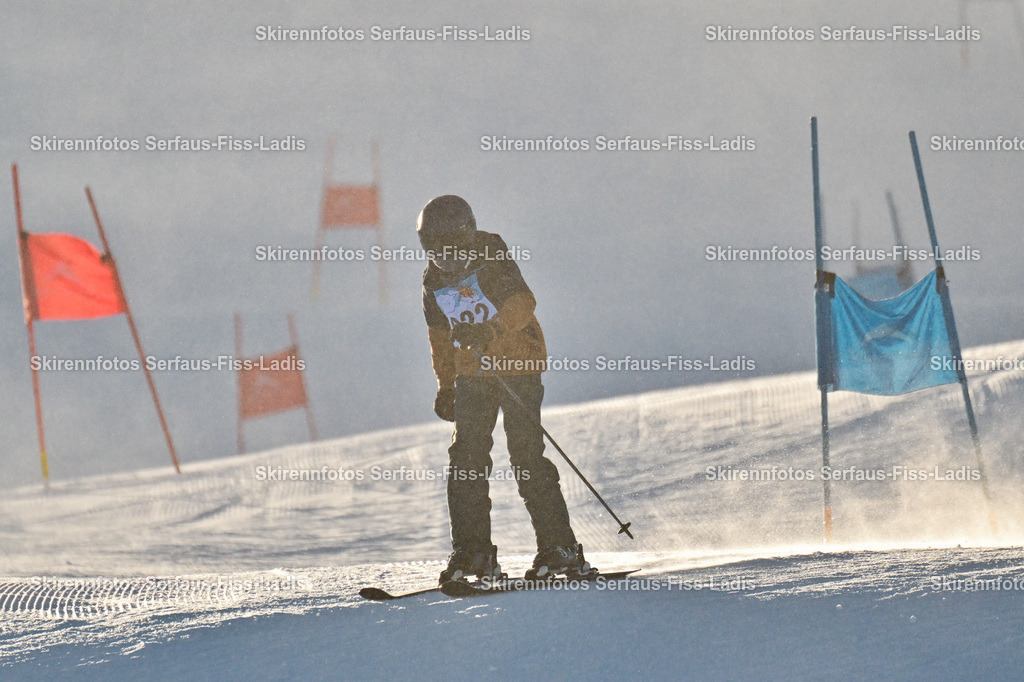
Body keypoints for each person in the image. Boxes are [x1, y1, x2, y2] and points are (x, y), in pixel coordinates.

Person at [418, 195, 591, 583]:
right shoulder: (432, 281)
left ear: (467, 238)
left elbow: (523, 302)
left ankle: (559, 549)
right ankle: (473, 553)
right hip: (473, 374)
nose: (446, 262)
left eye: (452, 251)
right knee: (465, 461)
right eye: (435, 252)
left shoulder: (492, 254)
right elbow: (439, 338)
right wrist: (446, 386)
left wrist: (491, 329)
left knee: (526, 455)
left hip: (518, 363)